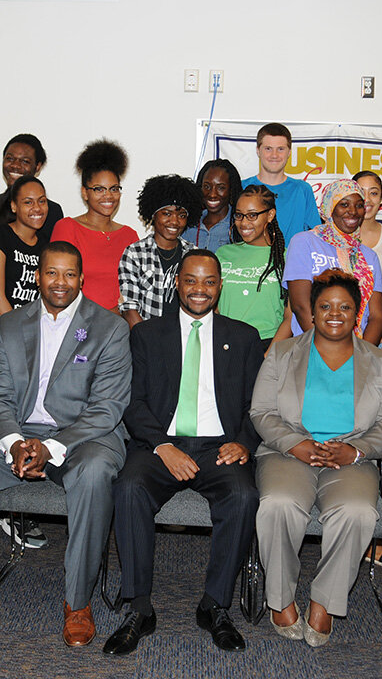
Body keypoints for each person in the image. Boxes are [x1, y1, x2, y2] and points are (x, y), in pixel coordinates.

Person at [0, 242, 131, 646]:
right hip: (20, 431)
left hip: (84, 437)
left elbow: (108, 408)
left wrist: (52, 448)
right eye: (52, 273)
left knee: (94, 473)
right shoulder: (9, 324)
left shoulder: (110, 327)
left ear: (82, 278)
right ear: (38, 276)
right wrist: (16, 442)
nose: (61, 282)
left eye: (70, 274)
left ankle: (78, 602)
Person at [105, 250, 263, 656]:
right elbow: (133, 401)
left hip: (219, 447)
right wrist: (163, 446)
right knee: (129, 487)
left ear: (220, 286)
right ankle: (138, 608)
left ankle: (215, 606)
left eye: (209, 281)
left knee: (244, 496)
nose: (199, 289)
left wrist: (243, 441)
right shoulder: (146, 334)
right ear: (178, 283)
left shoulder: (244, 337)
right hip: (161, 443)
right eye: (191, 280)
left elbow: (257, 405)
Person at [251, 270, 382, 647]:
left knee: (358, 512)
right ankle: (280, 600)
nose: (335, 313)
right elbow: (261, 412)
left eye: (345, 307)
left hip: (351, 458)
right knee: (278, 504)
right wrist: (295, 443)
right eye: (325, 306)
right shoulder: (282, 354)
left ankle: (324, 601)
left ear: (358, 313)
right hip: (289, 453)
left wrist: (357, 450)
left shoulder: (379, 361)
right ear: (312, 312)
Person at [0, 134, 64, 325]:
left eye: (25, 161)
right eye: (10, 158)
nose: (15, 165)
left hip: (33, 321)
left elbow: (50, 267)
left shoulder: (51, 212)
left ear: (38, 167)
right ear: (14, 207)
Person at [284, 179, 382, 344]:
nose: (353, 211)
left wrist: (361, 355)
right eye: (344, 205)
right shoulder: (304, 242)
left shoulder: (369, 256)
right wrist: (328, 349)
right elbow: (301, 306)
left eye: (359, 205)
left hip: (358, 353)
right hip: (312, 348)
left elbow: (376, 317)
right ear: (330, 207)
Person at [51, 139, 138, 312]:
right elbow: (59, 287)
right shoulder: (67, 228)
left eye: (114, 188)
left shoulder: (129, 236)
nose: (109, 196)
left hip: (121, 329)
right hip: (79, 325)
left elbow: (135, 291)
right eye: (99, 189)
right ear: (85, 192)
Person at [215, 184, 293, 350]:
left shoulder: (287, 258)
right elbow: (213, 307)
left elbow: (290, 316)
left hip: (267, 345)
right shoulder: (223, 254)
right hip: (225, 345)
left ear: (270, 215)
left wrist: (269, 357)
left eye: (252, 215)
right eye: (239, 215)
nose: (243, 223)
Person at [118, 174, 201, 327]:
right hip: (147, 337)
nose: (174, 221)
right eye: (167, 213)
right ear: (154, 215)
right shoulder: (135, 253)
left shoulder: (194, 254)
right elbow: (129, 308)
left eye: (181, 215)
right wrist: (147, 340)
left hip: (186, 338)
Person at [241, 123, 321, 244]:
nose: (274, 155)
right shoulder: (242, 187)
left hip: (294, 261)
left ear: (289, 152)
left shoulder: (302, 189)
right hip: (251, 261)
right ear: (258, 150)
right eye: (268, 149)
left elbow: (316, 234)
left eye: (280, 149)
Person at [0, 175, 49, 317]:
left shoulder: (46, 244)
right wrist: (18, 333)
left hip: (34, 331)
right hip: (0, 328)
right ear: (14, 206)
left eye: (42, 201)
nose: (37, 208)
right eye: (28, 202)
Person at [354, 170, 382, 326]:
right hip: (343, 319)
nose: (367, 199)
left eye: (374, 193)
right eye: (361, 192)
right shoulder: (336, 237)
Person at [182, 159, 242, 251]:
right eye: (207, 187)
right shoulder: (188, 224)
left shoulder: (240, 226)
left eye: (221, 188)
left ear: (231, 190)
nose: (212, 194)